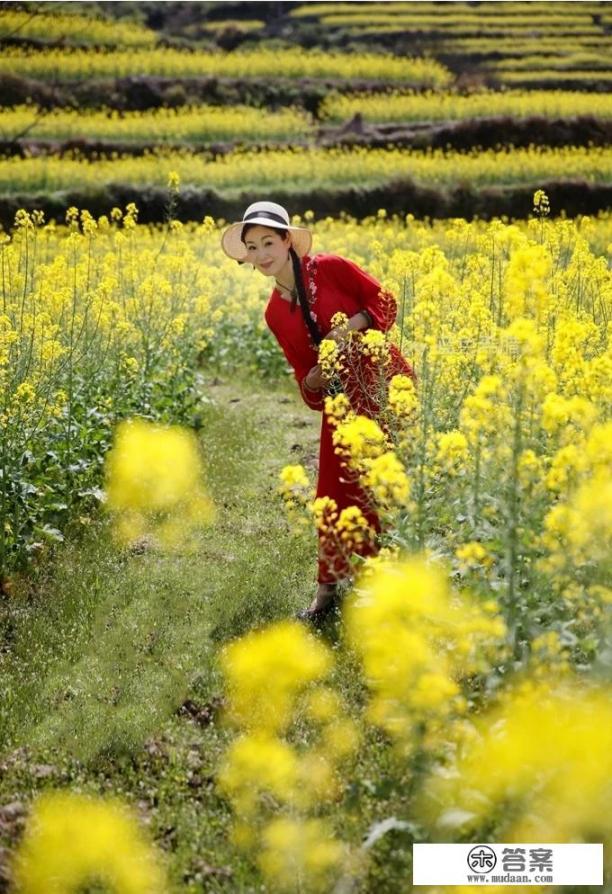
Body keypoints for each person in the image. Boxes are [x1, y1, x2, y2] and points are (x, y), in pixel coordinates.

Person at [221, 201, 415, 625]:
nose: (261, 254)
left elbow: (384, 302)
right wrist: (312, 379)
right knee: (331, 490)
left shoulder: (331, 268)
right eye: (252, 247)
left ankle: (389, 582)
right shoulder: (275, 313)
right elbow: (304, 379)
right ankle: (327, 594)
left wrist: (347, 330)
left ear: (288, 240)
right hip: (341, 398)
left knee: (383, 482)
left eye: (268, 242)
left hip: (382, 382)